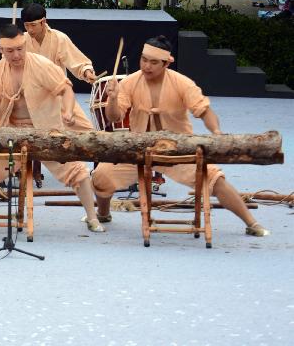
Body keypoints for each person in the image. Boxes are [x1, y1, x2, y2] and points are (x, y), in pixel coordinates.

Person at [92, 35, 270, 237]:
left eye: (153, 62)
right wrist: (113, 99)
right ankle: (103, 213)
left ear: (167, 63)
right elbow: (113, 117)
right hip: (140, 150)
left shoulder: (182, 83)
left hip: (179, 151)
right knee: (101, 175)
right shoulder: (131, 82)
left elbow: (204, 111)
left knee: (216, 180)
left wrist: (217, 133)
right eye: (144, 60)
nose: (147, 66)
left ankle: (251, 223)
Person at [0, 23, 105, 233]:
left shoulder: (41, 64)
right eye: (10, 51)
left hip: (47, 130)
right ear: (1, 50)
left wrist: (68, 110)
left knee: (78, 172)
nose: (16, 55)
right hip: (13, 133)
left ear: (25, 44)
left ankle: (92, 216)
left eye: (20, 48)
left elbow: (65, 89)